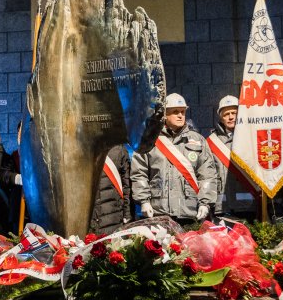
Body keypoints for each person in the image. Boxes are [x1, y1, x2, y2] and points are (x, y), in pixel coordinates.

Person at [131, 93, 218, 224]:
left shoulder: (198, 140)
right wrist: (144, 201)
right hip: (157, 212)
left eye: (183, 112)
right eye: (175, 112)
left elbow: (208, 175)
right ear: (165, 114)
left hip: (189, 212)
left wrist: (205, 203)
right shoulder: (149, 140)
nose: (180, 115)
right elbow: (139, 173)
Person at [207, 95, 258, 220]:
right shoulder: (210, 142)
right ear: (221, 117)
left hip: (250, 206)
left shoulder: (252, 137)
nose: (230, 117)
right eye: (226, 114)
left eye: (234, 113)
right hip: (222, 207)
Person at [90, 144, 132, 234]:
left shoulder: (119, 149)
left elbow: (126, 185)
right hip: (95, 218)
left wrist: (127, 213)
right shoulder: (120, 148)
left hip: (113, 217)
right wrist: (127, 213)